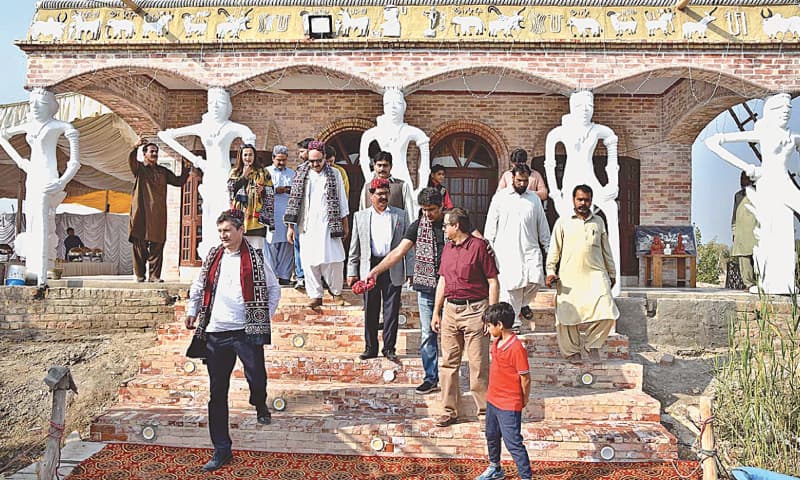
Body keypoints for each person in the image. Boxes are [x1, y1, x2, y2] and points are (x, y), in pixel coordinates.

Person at [185, 209, 281, 472]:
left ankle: (259, 402)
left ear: (240, 230)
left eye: (227, 230)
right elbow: (199, 286)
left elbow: (273, 289)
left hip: (246, 332)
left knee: (257, 377)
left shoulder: (256, 258)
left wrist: (263, 316)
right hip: (216, 332)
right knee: (217, 392)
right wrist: (192, 310)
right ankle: (221, 448)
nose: (223, 235)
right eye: (220, 231)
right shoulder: (213, 256)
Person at [706, 93, 800, 294]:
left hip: (785, 182)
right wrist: (747, 167)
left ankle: (786, 280)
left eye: (789, 110)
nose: (785, 113)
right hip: (768, 182)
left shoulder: (792, 137)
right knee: (772, 229)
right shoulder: (764, 134)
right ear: (771, 112)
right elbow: (713, 143)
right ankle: (770, 281)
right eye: (781, 109)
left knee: (784, 230)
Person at [158, 87, 257, 258]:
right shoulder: (203, 127)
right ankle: (210, 253)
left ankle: (229, 249)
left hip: (226, 175)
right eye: (212, 103)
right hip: (209, 175)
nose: (216, 107)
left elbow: (249, 137)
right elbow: (165, 136)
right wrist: (196, 161)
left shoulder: (231, 127)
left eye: (220, 103)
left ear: (228, 106)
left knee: (226, 211)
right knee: (209, 213)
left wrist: (243, 168)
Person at [367, 187, 445, 394]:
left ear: (441, 207)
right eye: (424, 210)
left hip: (452, 289)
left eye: (432, 209)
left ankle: (451, 379)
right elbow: (398, 252)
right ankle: (431, 378)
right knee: (427, 333)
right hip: (427, 288)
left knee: (451, 336)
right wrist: (376, 270)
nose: (428, 214)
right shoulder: (418, 226)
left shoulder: (452, 223)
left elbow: (475, 240)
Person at [0, 88, 80, 285]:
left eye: (41, 103)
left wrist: (62, 181)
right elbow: (3, 136)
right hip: (32, 175)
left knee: (45, 219)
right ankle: (34, 267)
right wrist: (21, 162)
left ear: (51, 107)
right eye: (32, 103)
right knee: (33, 219)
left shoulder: (60, 126)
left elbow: (75, 162)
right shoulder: (29, 125)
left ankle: (44, 271)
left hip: (49, 176)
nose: (35, 107)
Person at [545, 91, 621, 296]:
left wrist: (613, 184)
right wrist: (555, 193)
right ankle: (564, 276)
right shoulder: (558, 132)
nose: (585, 111)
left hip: (591, 179)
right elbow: (550, 164)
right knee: (565, 224)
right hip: (570, 181)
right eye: (580, 107)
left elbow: (612, 150)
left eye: (589, 106)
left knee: (611, 209)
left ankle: (616, 281)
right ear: (572, 107)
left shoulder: (599, 130)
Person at [432, 207, 500, 427]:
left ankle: (485, 413)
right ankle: (448, 410)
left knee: (478, 364)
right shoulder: (447, 248)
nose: (444, 229)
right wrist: (436, 312)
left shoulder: (479, 247)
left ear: (456, 225)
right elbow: (442, 280)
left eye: (446, 225)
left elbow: (493, 281)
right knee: (448, 363)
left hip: (475, 310)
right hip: (451, 310)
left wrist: (491, 314)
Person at [546, 184, 619, 363]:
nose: (583, 203)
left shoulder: (598, 222)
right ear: (573, 200)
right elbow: (554, 250)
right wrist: (550, 271)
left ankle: (592, 345)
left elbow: (606, 250)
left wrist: (612, 273)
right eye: (579, 199)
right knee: (566, 316)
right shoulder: (563, 222)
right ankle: (572, 352)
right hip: (569, 277)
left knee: (608, 311)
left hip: (596, 275)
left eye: (586, 200)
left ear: (591, 201)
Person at [347, 177, 412, 362]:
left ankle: (389, 348)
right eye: (379, 194)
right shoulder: (360, 217)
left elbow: (408, 246)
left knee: (391, 311)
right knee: (371, 309)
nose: (383, 197)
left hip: (393, 266)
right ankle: (370, 347)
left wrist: (410, 270)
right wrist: (352, 271)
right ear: (371, 196)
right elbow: (354, 247)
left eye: (386, 194)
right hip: (369, 267)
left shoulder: (400, 215)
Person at [484, 163, 550, 330]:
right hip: (506, 252)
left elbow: (542, 225)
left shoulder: (534, 199)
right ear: (512, 178)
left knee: (535, 280)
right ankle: (513, 323)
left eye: (525, 181)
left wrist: (548, 247)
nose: (522, 183)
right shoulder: (500, 197)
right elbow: (490, 225)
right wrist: (489, 247)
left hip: (531, 249)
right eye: (519, 180)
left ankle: (522, 305)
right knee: (512, 287)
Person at [284, 141, 350, 308]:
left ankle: (336, 292)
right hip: (307, 224)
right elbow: (293, 201)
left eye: (318, 161)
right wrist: (290, 227)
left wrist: (345, 223)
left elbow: (342, 200)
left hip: (330, 223)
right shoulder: (301, 173)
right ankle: (315, 295)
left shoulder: (334, 173)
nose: (315, 164)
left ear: (325, 157)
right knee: (309, 261)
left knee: (334, 259)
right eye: (312, 161)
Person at [475, 302, 532, 480]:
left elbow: (525, 377)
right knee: (491, 435)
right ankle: (495, 468)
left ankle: (526, 477)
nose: (487, 329)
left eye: (489, 325)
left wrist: (524, 398)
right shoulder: (497, 342)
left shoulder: (516, 348)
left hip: (509, 404)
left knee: (513, 442)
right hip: (493, 400)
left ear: (499, 325)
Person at [128, 137, 189, 282]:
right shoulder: (140, 169)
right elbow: (131, 161)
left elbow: (178, 181)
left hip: (158, 214)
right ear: (144, 154)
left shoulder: (162, 171)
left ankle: (154, 276)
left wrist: (186, 167)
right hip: (141, 212)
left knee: (157, 245)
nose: (155, 154)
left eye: (156, 152)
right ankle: (140, 275)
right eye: (152, 151)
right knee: (139, 245)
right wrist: (135, 147)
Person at [359, 87, 431, 194]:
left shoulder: (410, 131)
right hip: (380, 180)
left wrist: (422, 188)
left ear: (404, 107)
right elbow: (363, 159)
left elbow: (425, 159)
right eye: (388, 103)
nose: (393, 107)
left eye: (398, 103)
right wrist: (369, 179)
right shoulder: (373, 133)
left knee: (405, 203)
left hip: (403, 177)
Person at [227, 144, 274, 252]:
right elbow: (231, 189)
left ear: (254, 156)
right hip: (239, 216)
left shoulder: (263, 172)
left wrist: (263, 190)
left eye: (250, 155)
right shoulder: (235, 172)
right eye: (245, 155)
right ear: (241, 156)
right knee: (240, 252)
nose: (248, 158)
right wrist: (244, 176)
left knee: (257, 251)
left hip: (257, 219)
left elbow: (271, 192)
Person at [359, 151, 415, 223]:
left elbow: (409, 213)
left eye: (385, 165)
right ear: (374, 166)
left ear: (391, 166)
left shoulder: (402, 186)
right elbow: (362, 212)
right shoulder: (367, 187)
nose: (382, 169)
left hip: (396, 228)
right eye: (379, 165)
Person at [266, 145, 295, 285]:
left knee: (287, 245)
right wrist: (276, 190)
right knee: (270, 245)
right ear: (273, 158)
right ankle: (271, 277)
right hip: (271, 214)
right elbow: (259, 191)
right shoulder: (266, 172)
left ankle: (284, 276)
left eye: (284, 160)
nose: (281, 163)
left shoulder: (292, 174)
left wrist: (289, 190)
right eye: (279, 160)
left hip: (287, 214)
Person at [291, 137, 315, 290]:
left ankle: (314, 277)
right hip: (300, 215)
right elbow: (294, 196)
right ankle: (301, 276)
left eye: (302, 151)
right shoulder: (300, 170)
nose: (300, 155)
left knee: (313, 248)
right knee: (298, 246)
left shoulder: (325, 172)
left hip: (315, 216)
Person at [731, 172, 757, 289]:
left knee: (757, 258)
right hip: (741, 233)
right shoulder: (738, 195)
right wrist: (734, 231)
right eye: (741, 178)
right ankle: (749, 284)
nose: (742, 180)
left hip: (755, 231)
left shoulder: (759, 193)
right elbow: (734, 216)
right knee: (743, 259)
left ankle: (760, 284)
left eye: (745, 178)